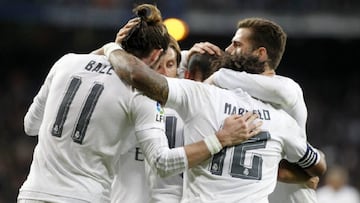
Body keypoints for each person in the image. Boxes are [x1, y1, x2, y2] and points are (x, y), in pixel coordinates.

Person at [18, 4, 261, 203]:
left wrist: (110, 48)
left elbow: (31, 125)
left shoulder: (66, 63)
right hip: (85, 196)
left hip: (32, 193)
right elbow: (163, 163)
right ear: (156, 55)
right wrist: (220, 139)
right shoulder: (141, 94)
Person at [103, 41, 327, 202]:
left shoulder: (137, 102)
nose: (164, 72)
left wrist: (112, 47)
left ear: (185, 73)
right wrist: (219, 139)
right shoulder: (231, 118)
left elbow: (140, 76)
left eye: (172, 64)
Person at [186, 17, 322, 203]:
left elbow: (286, 169)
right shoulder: (236, 91)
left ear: (260, 54)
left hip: (289, 195)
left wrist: (220, 74)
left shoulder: (287, 89)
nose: (228, 50)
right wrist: (187, 60)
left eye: (236, 44)